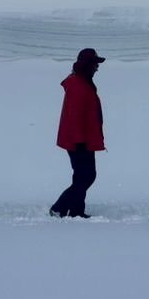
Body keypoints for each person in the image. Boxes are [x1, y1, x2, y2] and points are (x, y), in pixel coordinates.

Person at [50, 48, 106, 218]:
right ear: (87, 65)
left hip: (83, 139)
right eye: (95, 64)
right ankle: (59, 207)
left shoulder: (82, 82)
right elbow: (75, 116)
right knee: (87, 176)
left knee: (82, 176)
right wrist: (80, 141)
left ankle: (76, 211)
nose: (97, 67)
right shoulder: (79, 85)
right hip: (79, 141)